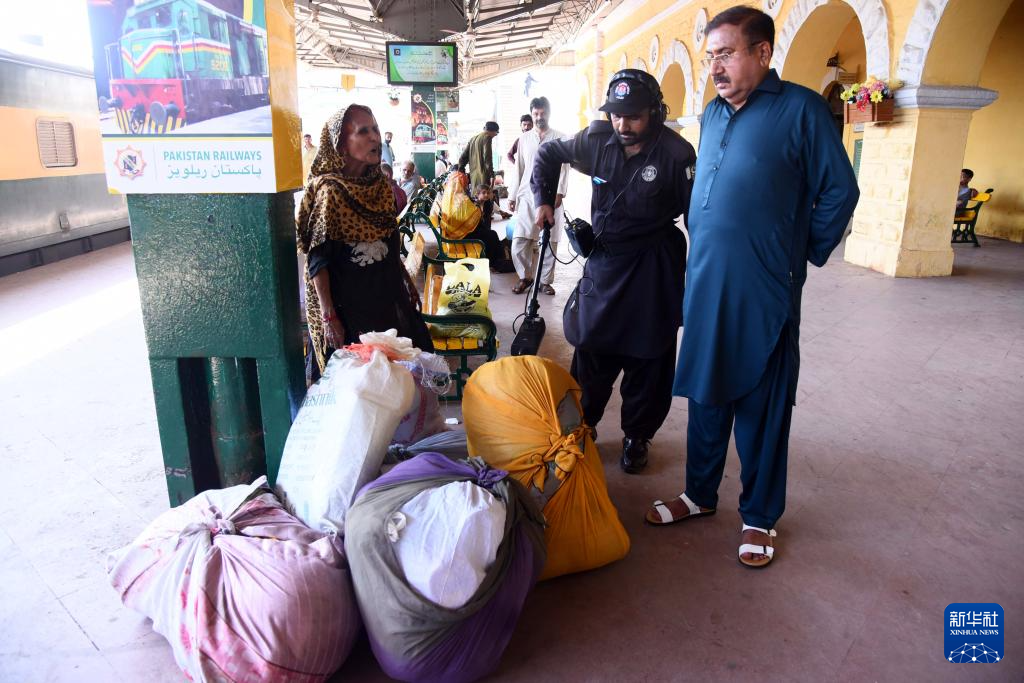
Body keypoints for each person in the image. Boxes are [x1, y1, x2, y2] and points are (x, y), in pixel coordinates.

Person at [651, 6, 859, 569]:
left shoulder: (801, 110)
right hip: (708, 282)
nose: (714, 66)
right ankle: (699, 494)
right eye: (710, 55)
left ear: (762, 54)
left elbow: (840, 190)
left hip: (765, 287)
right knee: (707, 392)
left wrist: (800, 252)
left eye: (727, 53)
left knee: (762, 403)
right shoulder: (712, 115)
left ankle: (760, 515)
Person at [532, 69, 695, 475]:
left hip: (653, 267)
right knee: (591, 349)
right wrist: (543, 201)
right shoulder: (596, 140)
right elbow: (548, 154)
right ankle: (578, 428)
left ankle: (637, 436)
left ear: (655, 113)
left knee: (649, 357)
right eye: (617, 115)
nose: (623, 124)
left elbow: (699, 220)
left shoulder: (677, 155)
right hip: (605, 264)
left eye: (634, 116)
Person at [296, 105, 432, 384]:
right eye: (363, 132)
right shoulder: (330, 192)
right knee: (359, 381)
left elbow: (390, 239)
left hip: (385, 293)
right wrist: (328, 315)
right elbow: (318, 260)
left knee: (402, 372)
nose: (375, 137)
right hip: (349, 305)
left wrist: (405, 282)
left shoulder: (380, 187)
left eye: (375, 129)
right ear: (341, 146)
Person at [509, 97, 568, 295]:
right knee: (520, 239)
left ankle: (545, 281)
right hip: (527, 194)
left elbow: (565, 168)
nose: (539, 117)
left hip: (552, 195)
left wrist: (560, 191)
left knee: (550, 240)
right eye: (535, 114)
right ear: (532, 114)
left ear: (549, 114)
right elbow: (519, 169)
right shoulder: (524, 139)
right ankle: (525, 277)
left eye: (542, 113)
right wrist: (512, 195)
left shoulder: (560, 137)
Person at [458, 121, 499, 191]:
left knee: (476, 198)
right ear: (493, 131)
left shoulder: (473, 139)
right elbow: (487, 158)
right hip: (483, 178)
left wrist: (461, 170)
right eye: (496, 133)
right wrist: (492, 175)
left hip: (473, 177)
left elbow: (463, 157)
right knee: (485, 198)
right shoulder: (487, 137)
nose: (495, 135)